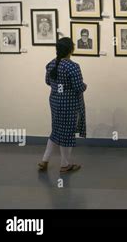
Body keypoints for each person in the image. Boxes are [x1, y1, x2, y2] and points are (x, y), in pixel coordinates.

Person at [38, 37, 87, 173]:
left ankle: (44, 160)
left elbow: (48, 81)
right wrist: (85, 86)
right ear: (71, 50)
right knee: (67, 133)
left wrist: (60, 87)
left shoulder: (51, 64)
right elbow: (78, 87)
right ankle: (65, 165)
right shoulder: (73, 66)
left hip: (55, 101)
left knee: (56, 131)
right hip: (70, 104)